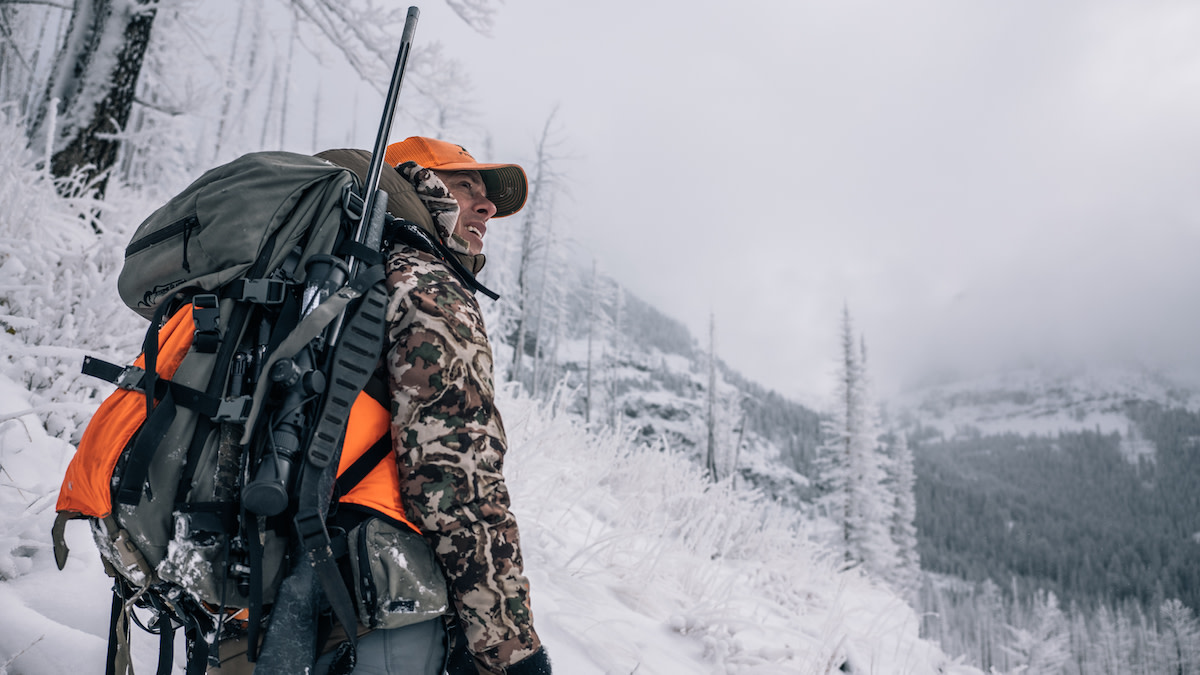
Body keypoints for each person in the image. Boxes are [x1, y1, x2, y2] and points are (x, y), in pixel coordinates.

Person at [313, 137, 551, 675]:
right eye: (466, 185)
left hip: (257, 575)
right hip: (370, 594)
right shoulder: (426, 284)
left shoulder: (340, 274)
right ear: (417, 183)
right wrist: (510, 650)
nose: (487, 208)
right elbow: (457, 479)